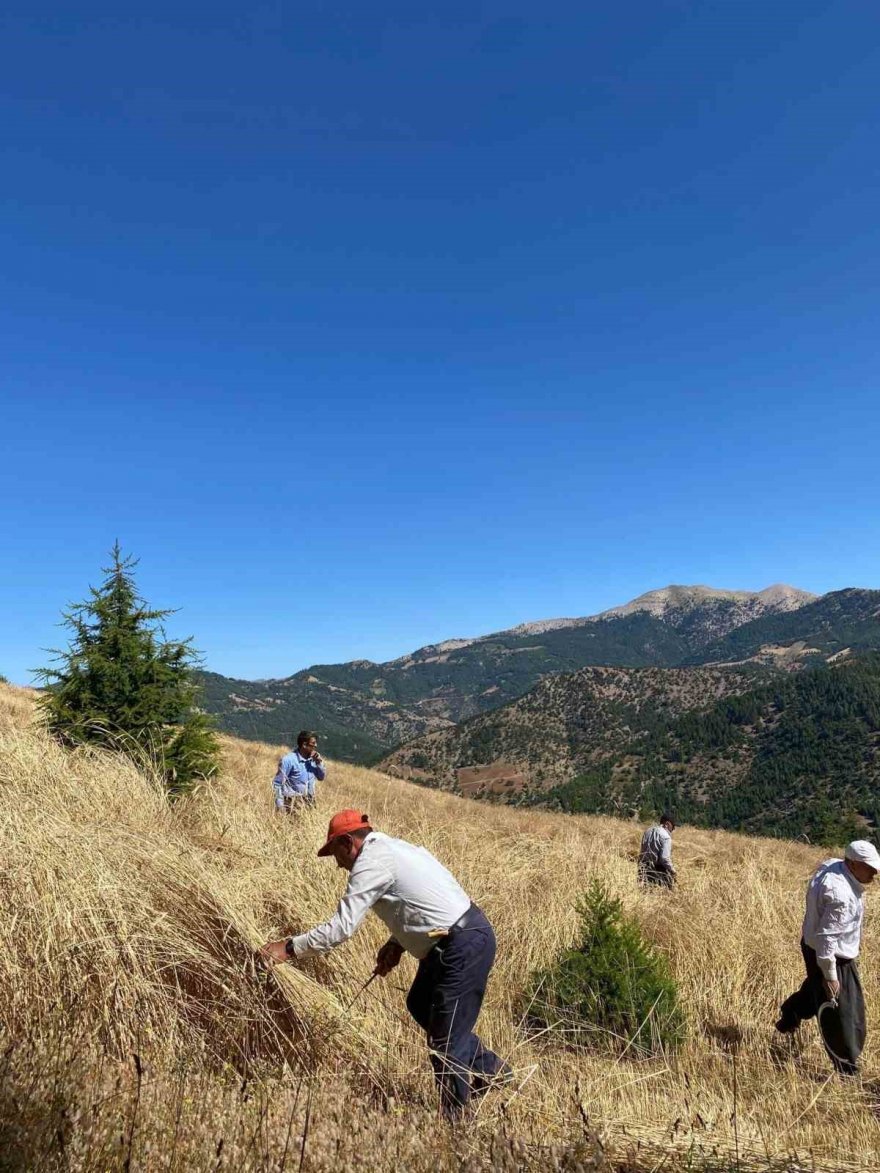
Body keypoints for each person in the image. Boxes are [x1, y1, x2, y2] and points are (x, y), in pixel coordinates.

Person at [260, 809, 508, 1117]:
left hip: (461, 945)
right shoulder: (395, 848)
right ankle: (491, 1069)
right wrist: (397, 944)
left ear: (347, 842)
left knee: (444, 1039)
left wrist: (287, 948)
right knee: (420, 1003)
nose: (338, 864)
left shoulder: (371, 863)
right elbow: (424, 901)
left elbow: (340, 929)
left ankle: (456, 1125)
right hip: (458, 938)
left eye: (335, 853)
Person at [775, 840, 879, 1075]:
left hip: (811, 946)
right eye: (869, 868)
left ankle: (790, 1013)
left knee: (816, 989)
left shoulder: (832, 866)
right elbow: (827, 940)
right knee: (842, 1011)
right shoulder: (841, 896)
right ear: (852, 864)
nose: (874, 873)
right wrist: (831, 974)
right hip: (833, 956)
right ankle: (846, 1065)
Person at [273, 730, 326, 812]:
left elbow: (321, 777)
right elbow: (277, 784)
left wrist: (319, 763)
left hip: (309, 803)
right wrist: (280, 806)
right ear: (304, 745)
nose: (316, 745)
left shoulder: (313, 759)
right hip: (292, 803)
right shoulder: (288, 760)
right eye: (313, 743)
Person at [638, 813, 677, 888]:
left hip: (644, 868)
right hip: (657, 870)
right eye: (673, 826)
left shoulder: (648, 831)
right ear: (667, 824)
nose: (673, 829)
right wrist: (673, 871)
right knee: (665, 892)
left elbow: (642, 852)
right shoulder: (666, 837)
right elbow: (665, 859)